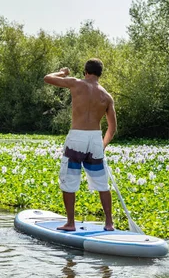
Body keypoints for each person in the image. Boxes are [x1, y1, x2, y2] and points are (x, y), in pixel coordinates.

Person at [44, 59, 117, 231]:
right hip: (95, 139)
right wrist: (102, 146)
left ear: (85, 72)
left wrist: (62, 72)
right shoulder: (106, 96)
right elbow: (112, 128)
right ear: (100, 74)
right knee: (102, 184)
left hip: (77, 138)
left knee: (69, 181)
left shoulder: (76, 83)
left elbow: (47, 78)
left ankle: (70, 223)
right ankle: (109, 223)